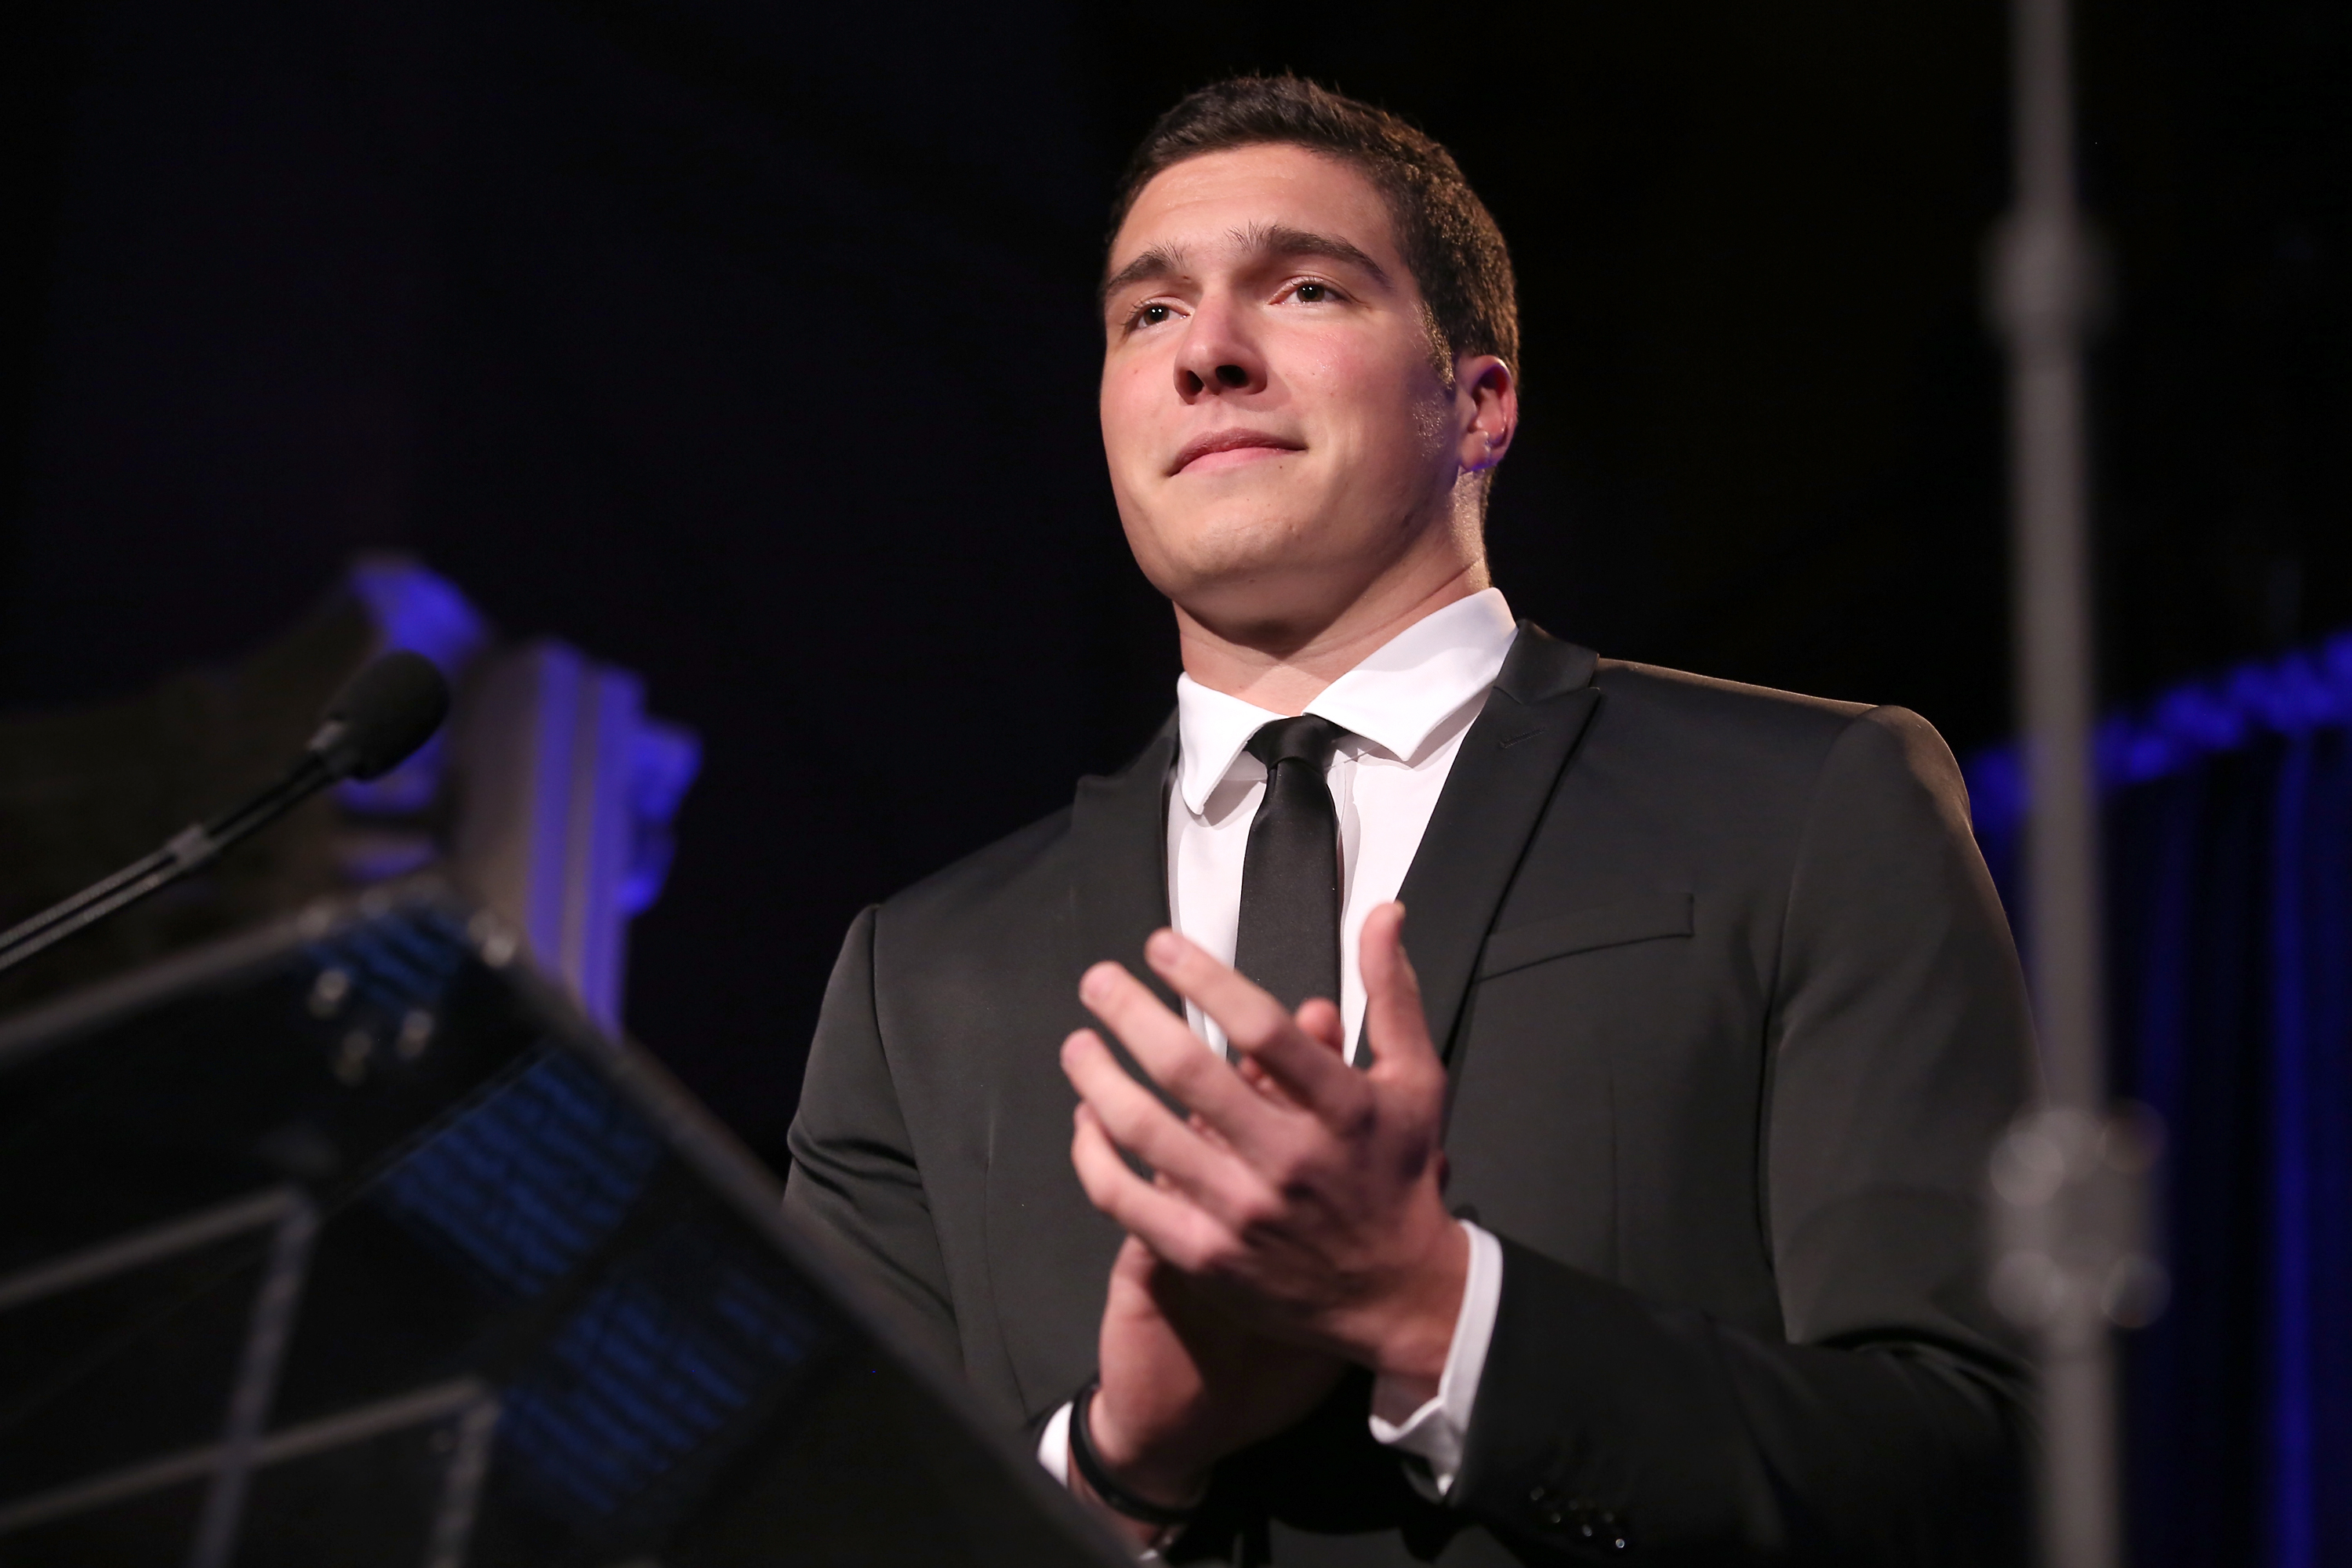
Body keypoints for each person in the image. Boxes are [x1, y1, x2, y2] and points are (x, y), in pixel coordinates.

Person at [785, 76, 2035, 1565]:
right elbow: (811, 1523)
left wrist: (1433, 1314)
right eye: (1150, 315)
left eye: (1301, 286)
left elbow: (1973, 1456)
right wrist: (1124, 1466)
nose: (1211, 356)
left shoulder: (1806, 806)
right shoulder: (918, 977)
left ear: (1480, 402)